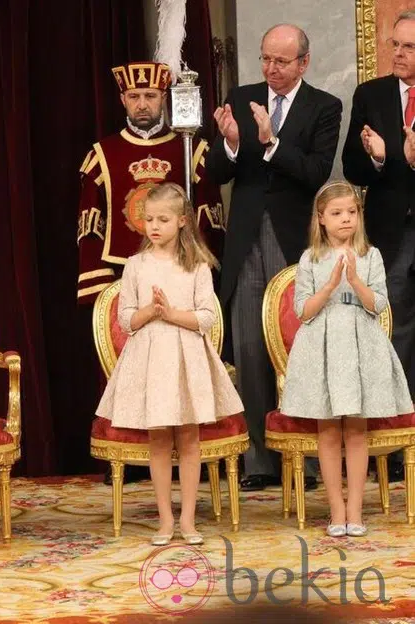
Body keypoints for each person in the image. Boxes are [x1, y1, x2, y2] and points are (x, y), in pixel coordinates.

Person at [77, 61, 226, 486]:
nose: (142, 104)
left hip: (182, 272)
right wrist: (96, 284)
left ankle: (192, 461)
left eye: (151, 96)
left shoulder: (191, 149)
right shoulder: (101, 154)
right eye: (134, 97)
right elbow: (90, 225)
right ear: (123, 100)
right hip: (124, 273)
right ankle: (126, 460)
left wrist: (203, 271)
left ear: (164, 99)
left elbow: (209, 218)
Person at [208, 23, 342, 492]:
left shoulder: (324, 106)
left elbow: (315, 172)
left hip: (295, 239)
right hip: (246, 236)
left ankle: (306, 460)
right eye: (266, 58)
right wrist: (231, 142)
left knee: (300, 347)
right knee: (248, 346)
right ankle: (259, 462)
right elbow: (217, 171)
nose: (271, 68)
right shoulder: (242, 97)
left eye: (281, 61)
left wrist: (271, 142)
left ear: (303, 63)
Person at [95, 183, 243, 545]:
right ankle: (165, 520)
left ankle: (188, 519)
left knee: (189, 439)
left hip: (186, 358)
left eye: (162, 219)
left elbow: (207, 317)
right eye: (149, 220)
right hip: (150, 360)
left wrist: (172, 313)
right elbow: (126, 320)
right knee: (159, 440)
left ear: (182, 221)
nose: (154, 226)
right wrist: (150, 311)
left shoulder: (197, 265)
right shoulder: (136, 266)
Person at [279, 181, 413, 536]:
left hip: (359, 347)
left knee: (355, 430)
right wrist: (329, 286)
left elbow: (378, 304)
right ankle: (336, 508)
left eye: (352, 212)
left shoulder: (371, 255)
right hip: (322, 346)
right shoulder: (310, 258)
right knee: (328, 431)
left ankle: (355, 508)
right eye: (337, 213)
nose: (346, 219)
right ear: (321, 218)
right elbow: (303, 311)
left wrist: (354, 280)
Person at [342, 9, 415, 482]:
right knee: (394, 333)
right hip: (391, 233)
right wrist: (380, 159)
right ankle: (394, 448)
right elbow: (351, 166)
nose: (398, 53)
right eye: (395, 44)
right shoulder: (371, 95)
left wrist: (404, 160)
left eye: (409, 47)